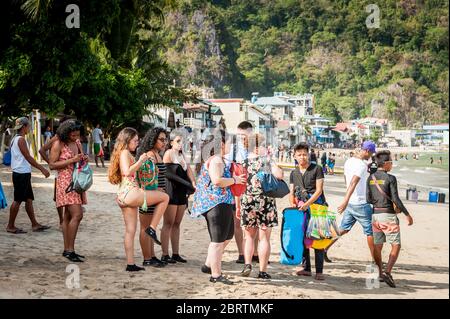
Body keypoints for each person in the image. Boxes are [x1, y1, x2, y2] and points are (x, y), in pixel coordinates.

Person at [108, 127, 169, 271]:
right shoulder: (125, 153)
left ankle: (130, 264)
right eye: (135, 141)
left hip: (124, 195)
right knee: (165, 198)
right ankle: (152, 229)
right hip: (131, 193)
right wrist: (141, 160)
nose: (137, 143)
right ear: (127, 140)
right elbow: (127, 172)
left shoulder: (125, 153)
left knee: (130, 230)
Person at [191, 130, 246, 284]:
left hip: (222, 203)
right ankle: (216, 274)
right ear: (221, 144)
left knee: (227, 236)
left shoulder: (217, 159)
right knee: (217, 240)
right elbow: (217, 180)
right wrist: (235, 180)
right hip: (216, 204)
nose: (231, 145)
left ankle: (209, 265)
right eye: (229, 142)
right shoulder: (216, 160)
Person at [367, 150, 414, 288]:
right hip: (388, 215)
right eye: (391, 162)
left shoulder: (370, 178)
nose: (392, 165)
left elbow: (368, 198)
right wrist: (407, 214)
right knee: (396, 244)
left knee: (378, 245)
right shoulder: (390, 178)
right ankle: (387, 271)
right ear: (386, 163)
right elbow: (395, 198)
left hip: (375, 215)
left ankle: (380, 272)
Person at [239, 134, 283, 279]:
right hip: (266, 202)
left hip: (248, 200)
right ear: (259, 146)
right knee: (264, 238)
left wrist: (239, 206)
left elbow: (239, 186)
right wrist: (271, 159)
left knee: (249, 237)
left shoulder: (243, 162)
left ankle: (247, 264)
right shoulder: (267, 161)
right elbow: (280, 175)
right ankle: (263, 271)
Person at [325, 141, 376, 263]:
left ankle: (323, 248)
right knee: (371, 232)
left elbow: (346, 179)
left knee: (343, 229)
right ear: (367, 151)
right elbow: (354, 182)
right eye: (372, 153)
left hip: (352, 203)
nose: (372, 156)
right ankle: (376, 259)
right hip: (361, 203)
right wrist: (344, 201)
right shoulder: (362, 165)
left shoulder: (349, 161)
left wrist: (348, 199)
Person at [49, 120, 88, 262]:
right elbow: (52, 165)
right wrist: (71, 160)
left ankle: (67, 250)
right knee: (77, 215)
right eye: (73, 135)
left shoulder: (77, 143)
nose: (75, 137)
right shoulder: (58, 143)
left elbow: (79, 160)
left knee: (68, 216)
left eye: (77, 135)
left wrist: (83, 159)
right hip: (65, 182)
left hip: (76, 182)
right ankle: (70, 249)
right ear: (66, 132)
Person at [7, 117, 51, 234]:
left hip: (22, 172)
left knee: (29, 199)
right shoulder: (21, 140)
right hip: (21, 173)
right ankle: (10, 226)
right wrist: (42, 169)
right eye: (29, 126)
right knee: (18, 200)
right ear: (24, 127)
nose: (29, 128)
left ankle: (35, 224)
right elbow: (27, 157)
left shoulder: (14, 139)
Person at [135, 127, 171, 268]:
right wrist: (155, 189)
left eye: (165, 139)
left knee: (150, 227)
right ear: (153, 139)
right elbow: (143, 177)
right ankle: (146, 258)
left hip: (156, 195)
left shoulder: (157, 154)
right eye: (161, 139)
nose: (164, 142)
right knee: (145, 227)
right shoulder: (149, 154)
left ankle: (152, 256)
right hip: (149, 195)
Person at [290, 143, 327, 280]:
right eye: (299, 154)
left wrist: (306, 204)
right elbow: (292, 191)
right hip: (300, 208)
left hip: (318, 207)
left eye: (304, 154)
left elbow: (319, 191)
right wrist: (293, 205)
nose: (302, 157)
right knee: (302, 238)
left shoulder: (317, 169)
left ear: (309, 154)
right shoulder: (294, 172)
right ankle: (306, 268)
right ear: (294, 156)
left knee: (318, 238)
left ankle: (319, 271)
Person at [161, 130, 196, 263]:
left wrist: (193, 183)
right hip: (171, 191)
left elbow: (189, 171)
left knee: (177, 224)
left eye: (183, 141)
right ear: (171, 142)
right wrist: (186, 183)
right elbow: (167, 174)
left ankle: (175, 253)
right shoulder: (168, 154)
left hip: (182, 192)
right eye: (178, 141)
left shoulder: (183, 155)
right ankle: (165, 254)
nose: (181, 144)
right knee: (168, 223)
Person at [224, 121, 254, 264]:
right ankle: (241, 253)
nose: (242, 138)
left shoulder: (256, 149)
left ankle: (253, 253)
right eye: (239, 135)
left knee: (254, 223)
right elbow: (227, 168)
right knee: (237, 222)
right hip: (237, 189)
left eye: (244, 135)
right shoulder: (233, 149)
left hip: (254, 191)